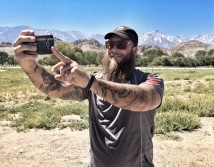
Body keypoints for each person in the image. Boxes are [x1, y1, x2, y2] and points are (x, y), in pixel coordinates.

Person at [13, 26, 164, 167]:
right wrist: (29, 65)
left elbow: (144, 100)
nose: (113, 50)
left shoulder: (150, 80)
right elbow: (55, 89)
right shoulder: (94, 82)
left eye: (121, 45)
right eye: (110, 44)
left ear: (135, 50)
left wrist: (90, 81)